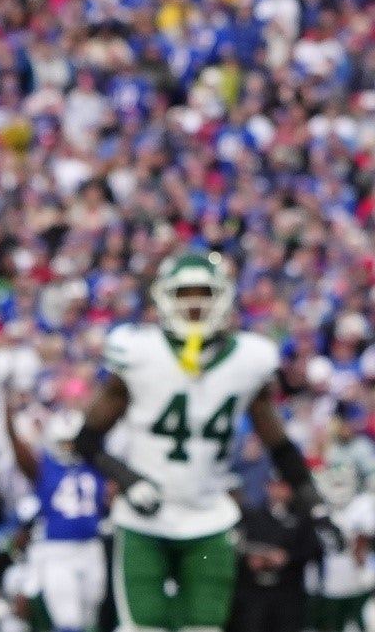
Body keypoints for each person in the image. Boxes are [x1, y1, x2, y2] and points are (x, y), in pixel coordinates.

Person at [75, 251, 319, 632]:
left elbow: (278, 443)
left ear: (223, 297)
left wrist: (313, 500)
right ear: (163, 298)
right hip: (145, 521)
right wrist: (128, 479)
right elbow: (86, 440)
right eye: (184, 292)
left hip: (210, 517)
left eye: (203, 293)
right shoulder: (140, 353)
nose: (193, 303)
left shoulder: (250, 360)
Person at [0, 403, 110, 632]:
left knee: (90, 619)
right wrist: (8, 425)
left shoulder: (96, 464)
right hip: (57, 550)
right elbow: (20, 454)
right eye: (62, 442)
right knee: (68, 620)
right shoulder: (44, 467)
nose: (68, 447)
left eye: (72, 442)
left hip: (91, 547)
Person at [232, 479, 318, 632]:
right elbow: (238, 548)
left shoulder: (301, 518)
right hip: (255, 592)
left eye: (283, 486)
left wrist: (287, 557)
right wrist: (250, 561)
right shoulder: (253, 517)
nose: (278, 491)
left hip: (287, 591)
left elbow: (313, 549)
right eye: (275, 486)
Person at [309, 459, 375, 632]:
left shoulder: (364, 504)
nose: (338, 488)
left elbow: (365, 540)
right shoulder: (319, 511)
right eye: (334, 482)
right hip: (329, 583)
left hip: (359, 581)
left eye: (341, 482)